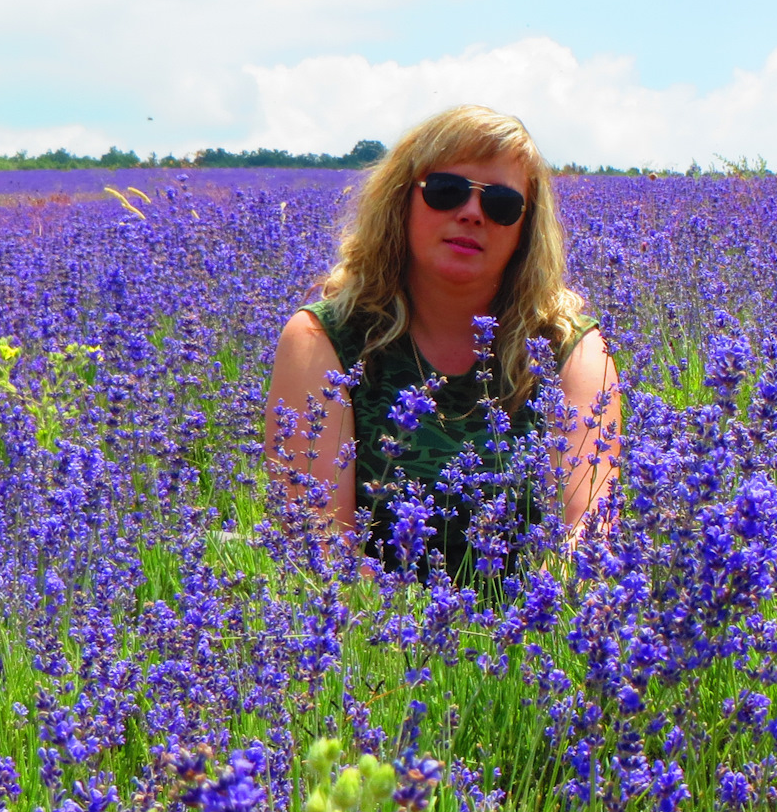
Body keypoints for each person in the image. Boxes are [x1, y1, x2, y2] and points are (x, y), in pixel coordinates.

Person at [263, 105, 620, 579]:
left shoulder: (570, 349)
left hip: (529, 640)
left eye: (501, 204)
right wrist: (426, 634)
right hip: (373, 638)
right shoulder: (323, 339)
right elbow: (316, 548)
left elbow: (586, 540)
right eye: (446, 192)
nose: (472, 213)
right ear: (401, 201)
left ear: (525, 230)